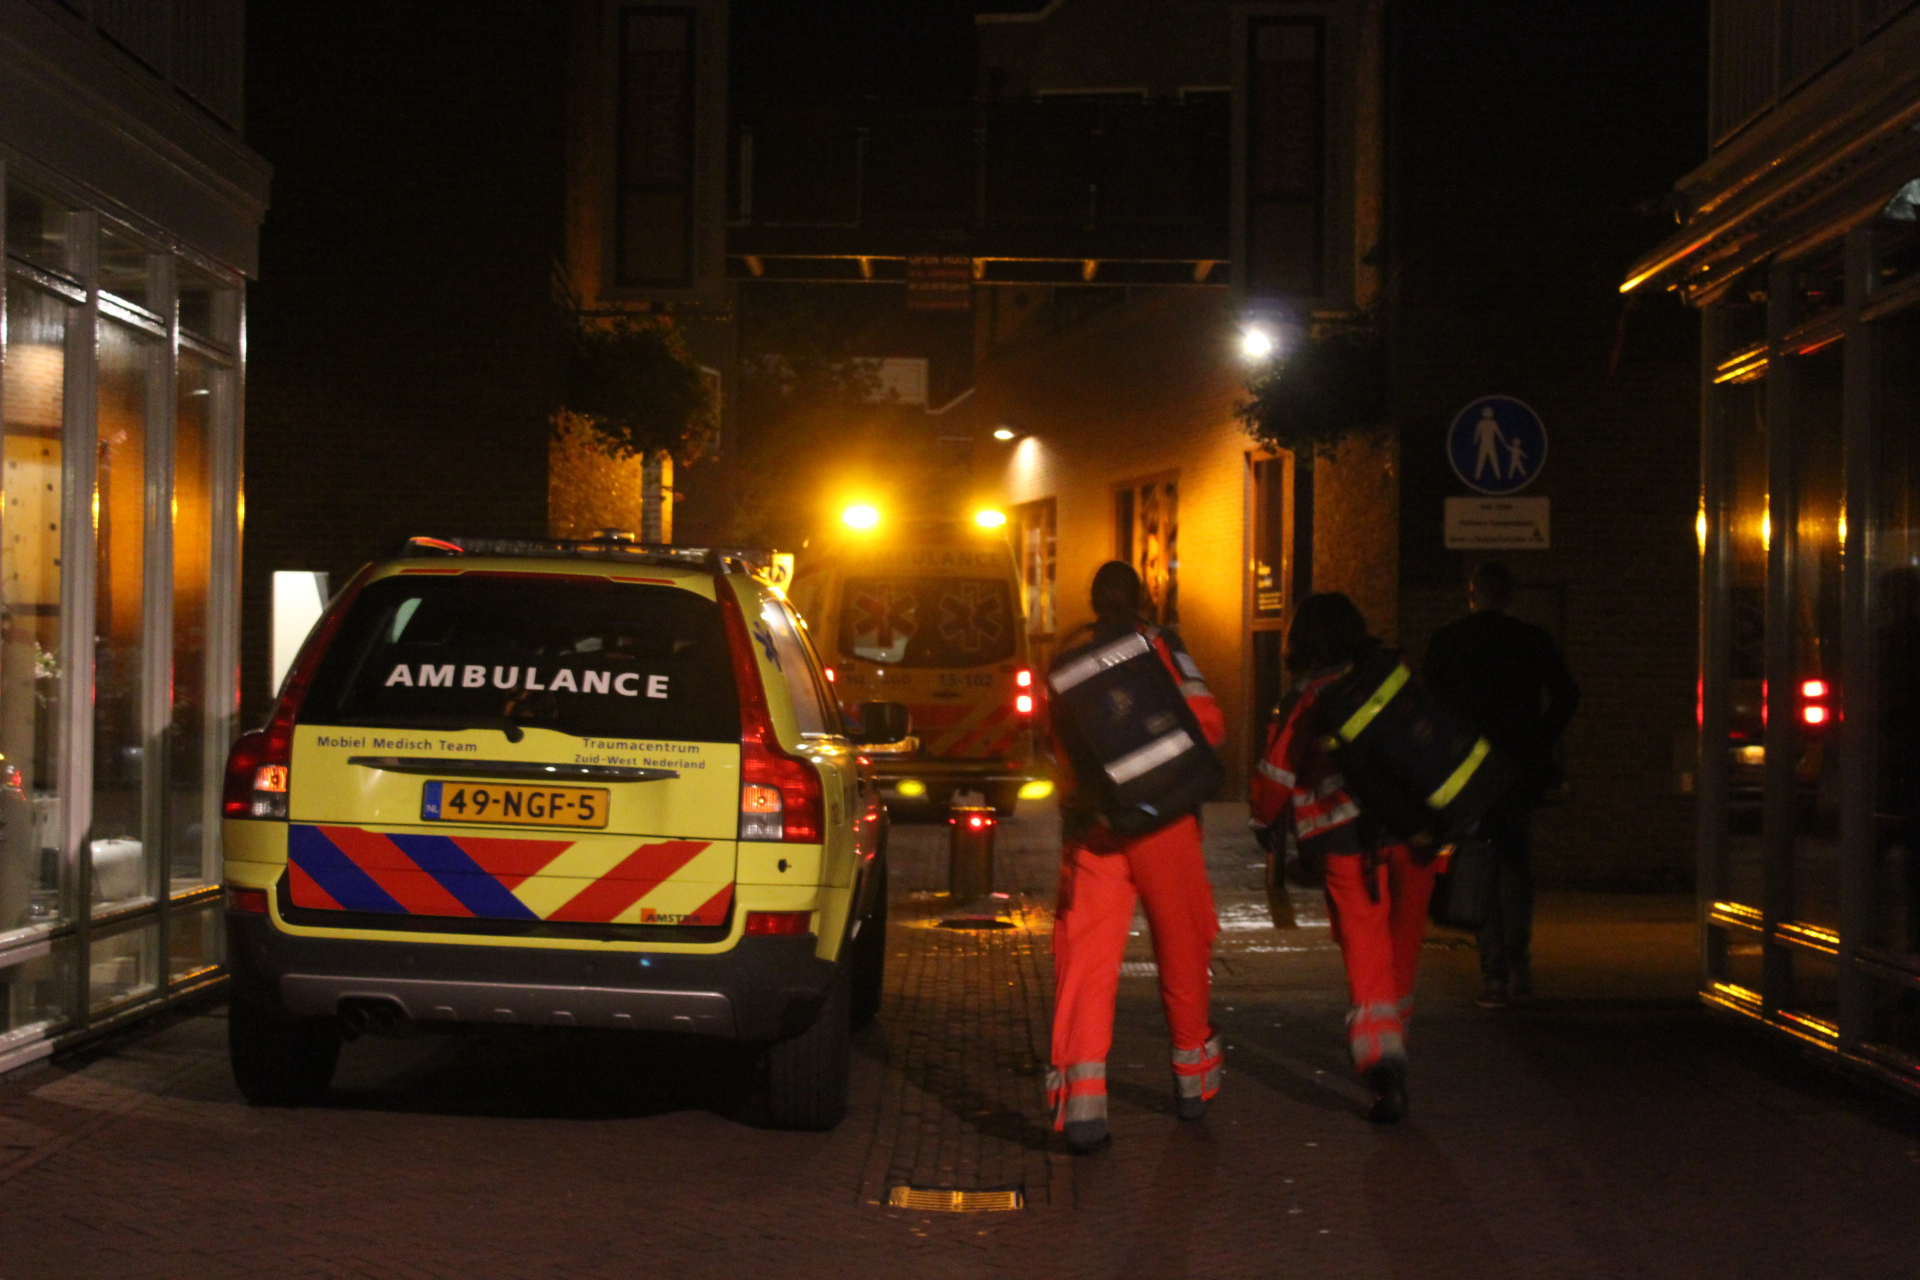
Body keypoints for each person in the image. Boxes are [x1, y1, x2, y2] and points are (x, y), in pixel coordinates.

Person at [1046, 561, 1227, 1154]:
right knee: (1182, 943)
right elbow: (1209, 723)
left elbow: (1060, 755)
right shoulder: (1159, 644)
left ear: (1092, 603)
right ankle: (1191, 1085)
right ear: (1143, 599)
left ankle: (1083, 1108)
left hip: (1097, 829)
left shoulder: (1063, 665)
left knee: (1087, 959)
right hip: (1165, 824)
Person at [1250, 592, 1435, 1123]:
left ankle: (1384, 1065)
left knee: (1366, 949)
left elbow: (1277, 774)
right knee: (1401, 951)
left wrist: (1263, 822)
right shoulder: (1395, 674)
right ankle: (1396, 1040)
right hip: (1414, 832)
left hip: (1345, 840)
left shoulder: (1307, 695)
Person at [1423, 561, 1580, 1008]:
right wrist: (1540, 738)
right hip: (1518, 769)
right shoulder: (1533, 640)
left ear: (1472, 595)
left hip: (1470, 772)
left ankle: (1494, 973)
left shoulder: (1448, 642)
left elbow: (1429, 707)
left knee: (1480, 868)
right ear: (1510, 597)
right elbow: (1568, 695)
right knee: (1517, 864)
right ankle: (1520, 962)